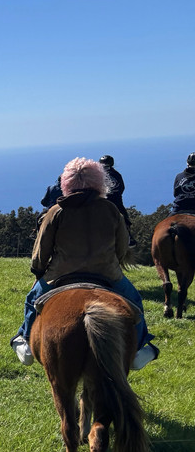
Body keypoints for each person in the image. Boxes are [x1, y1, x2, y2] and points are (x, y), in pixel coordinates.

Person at [10, 157, 157, 369]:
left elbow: (41, 251)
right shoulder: (111, 209)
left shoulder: (56, 212)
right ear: (99, 181)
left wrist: (38, 272)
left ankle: (25, 340)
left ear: (67, 183)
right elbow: (122, 249)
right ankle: (138, 348)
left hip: (60, 274)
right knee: (134, 299)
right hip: (107, 274)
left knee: (32, 299)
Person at [100, 155, 135, 246]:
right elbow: (121, 188)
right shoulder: (116, 174)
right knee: (125, 217)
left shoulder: (97, 174)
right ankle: (129, 237)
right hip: (115, 201)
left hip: (101, 200)